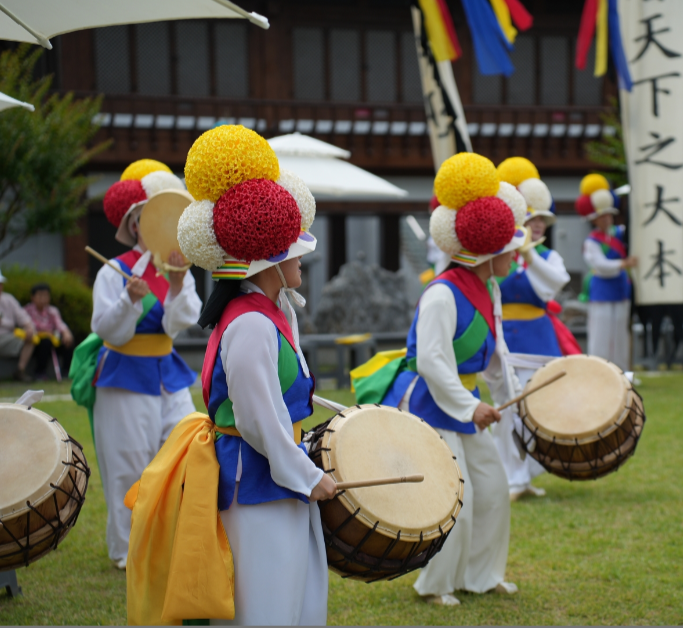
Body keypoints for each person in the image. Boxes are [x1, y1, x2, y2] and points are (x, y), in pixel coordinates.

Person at [125, 125, 333, 625]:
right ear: (270, 260)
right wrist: (308, 476)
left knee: (291, 598)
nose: (304, 254)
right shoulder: (250, 324)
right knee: (264, 606)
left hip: (272, 475)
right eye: (295, 249)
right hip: (257, 479)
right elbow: (259, 418)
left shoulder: (266, 310)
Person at [354, 152, 525, 607]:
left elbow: (494, 355)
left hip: (462, 399)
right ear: (491, 251)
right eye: (512, 247)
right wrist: (472, 407)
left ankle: (481, 575)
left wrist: (513, 402)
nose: (517, 253)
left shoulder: (488, 289)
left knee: (491, 491)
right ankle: (435, 585)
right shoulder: (442, 293)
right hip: (429, 402)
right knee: (454, 501)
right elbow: (430, 362)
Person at [82, 159, 202, 570]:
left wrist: (178, 284)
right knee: (128, 465)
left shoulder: (175, 266)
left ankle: (174, 539)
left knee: (186, 455)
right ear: (134, 224)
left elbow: (182, 321)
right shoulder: (114, 271)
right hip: (123, 377)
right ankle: (128, 550)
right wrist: (129, 299)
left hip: (167, 374)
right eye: (145, 217)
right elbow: (107, 330)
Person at [492, 156, 578, 501]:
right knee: (507, 409)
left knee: (541, 410)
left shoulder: (548, 257)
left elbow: (553, 286)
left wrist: (530, 254)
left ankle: (527, 474)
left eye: (542, 219)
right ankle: (513, 479)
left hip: (538, 339)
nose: (538, 225)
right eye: (531, 218)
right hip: (504, 342)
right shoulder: (499, 254)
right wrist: (515, 250)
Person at [576, 174, 637, 369]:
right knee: (600, 333)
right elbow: (601, 266)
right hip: (602, 289)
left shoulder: (620, 233)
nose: (606, 219)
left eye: (609, 214)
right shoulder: (591, 242)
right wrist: (624, 264)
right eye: (602, 216)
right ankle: (598, 369)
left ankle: (621, 370)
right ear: (594, 219)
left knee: (620, 333)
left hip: (620, 288)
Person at [23, 282, 74, 380]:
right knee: (45, 342)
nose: (43, 299)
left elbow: (60, 325)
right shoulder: (27, 310)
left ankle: (67, 371)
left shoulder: (52, 311)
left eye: (46, 296)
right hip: (37, 342)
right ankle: (40, 372)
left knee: (68, 341)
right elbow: (27, 326)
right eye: (40, 296)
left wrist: (66, 333)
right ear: (32, 297)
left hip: (52, 340)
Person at [0, 272, 36, 381]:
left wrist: (29, 328)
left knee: (31, 338)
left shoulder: (9, 299)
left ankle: (20, 371)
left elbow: (23, 317)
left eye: (1, 283)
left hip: (7, 337)